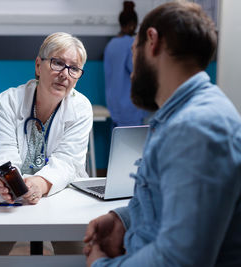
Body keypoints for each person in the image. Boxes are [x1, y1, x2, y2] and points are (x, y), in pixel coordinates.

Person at [84, 2, 241, 267]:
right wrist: (125, 219)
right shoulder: (181, 118)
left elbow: (178, 260)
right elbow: (173, 205)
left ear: (152, 41)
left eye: (134, 53)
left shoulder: (195, 128)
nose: (132, 74)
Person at [0, 32, 93, 255]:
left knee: (79, 253)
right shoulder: (9, 101)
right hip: (12, 198)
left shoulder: (81, 108)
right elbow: (1, 153)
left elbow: (68, 162)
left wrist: (40, 183)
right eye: (57, 63)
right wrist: (6, 183)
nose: (64, 74)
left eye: (74, 68)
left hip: (60, 191)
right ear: (39, 65)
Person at [104, 1, 148, 126]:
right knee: (133, 144)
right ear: (133, 25)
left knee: (117, 142)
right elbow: (138, 72)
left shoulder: (110, 45)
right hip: (130, 107)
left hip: (113, 106)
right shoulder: (131, 44)